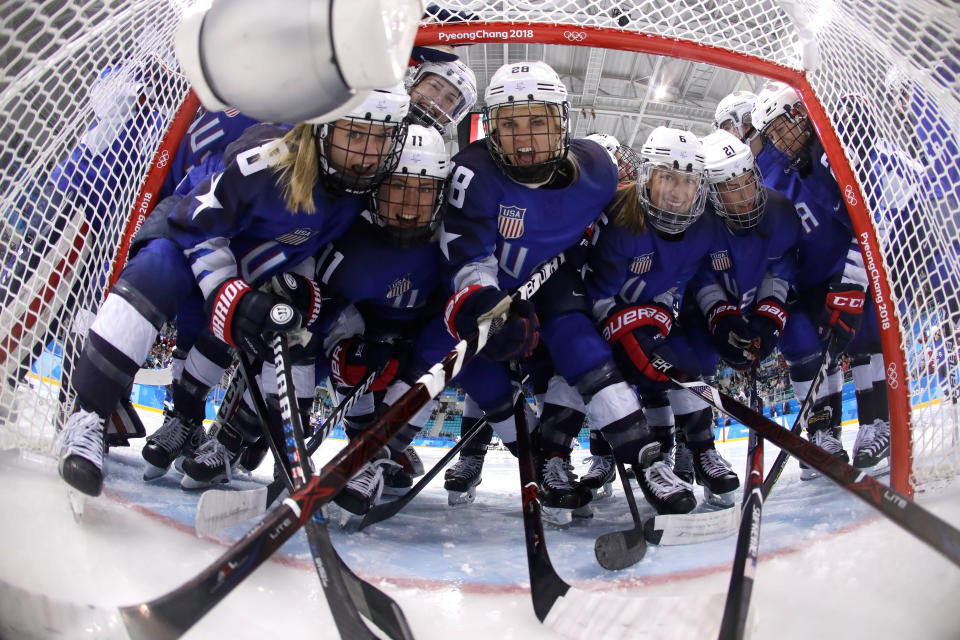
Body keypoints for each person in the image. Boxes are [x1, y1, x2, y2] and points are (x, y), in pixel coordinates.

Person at [54, 87, 410, 497]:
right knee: (156, 271)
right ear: (324, 128)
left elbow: (304, 245)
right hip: (190, 238)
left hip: (249, 266)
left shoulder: (358, 190)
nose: (369, 152)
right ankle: (88, 416)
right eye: (356, 134)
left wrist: (299, 288)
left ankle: (276, 455)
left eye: (381, 137)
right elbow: (196, 224)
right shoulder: (270, 157)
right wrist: (227, 291)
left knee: (295, 333)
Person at [411, 61, 684, 526]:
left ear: (563, 122)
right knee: (467, 363)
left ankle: (645, 459)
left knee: (580, 344)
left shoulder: (598, 170)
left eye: (538, 121)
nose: (525, 137)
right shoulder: (472, 172)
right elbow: (468, 260)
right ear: (491, 127)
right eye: (510, 123)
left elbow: (609, 232)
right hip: (492, 289)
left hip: (552, 280)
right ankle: (514, 459)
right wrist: (483, 302)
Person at [583, 126, 735, 512]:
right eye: (668, 176)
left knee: (685, 365)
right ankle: (601, 454)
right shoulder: (617, 216)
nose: (677, 191)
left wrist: (656, 324)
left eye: (688, 180)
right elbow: (597, 295)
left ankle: (702, 451)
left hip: (653, 318)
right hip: (600, 319)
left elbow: (676, 287)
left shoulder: (704, 227)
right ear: (647, 177)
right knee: (593, 374)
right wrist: (630, 329)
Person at [751, 81, 889, 474]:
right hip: (803, 282)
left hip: (842, 267)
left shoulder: (831, 149)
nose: (776, 141)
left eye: (780, 129)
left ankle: (876, 421)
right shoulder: (765, 171)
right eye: (770, 134)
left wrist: (853, 277)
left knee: (865, 333)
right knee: (808, 347)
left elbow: (870, 218)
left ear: (800, 114)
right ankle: (822, 433)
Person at [674, 129, 801, 501]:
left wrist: (769, 317)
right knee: (699, 360)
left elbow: (780, 270)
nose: (745, 196)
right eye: (731, 188)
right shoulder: (698, 224)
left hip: (750, 301)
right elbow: (700, 279)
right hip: (704, 314)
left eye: (747, 182)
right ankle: (695, 447)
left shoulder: (779, 212)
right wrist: (723, 317)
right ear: (711, 194)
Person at [406, 59, 478, 133]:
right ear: (414, 85)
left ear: (451, 116)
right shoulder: (393, 106)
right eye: (434, 86)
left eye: (450, 99)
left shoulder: (437, 144)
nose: (437, 99)